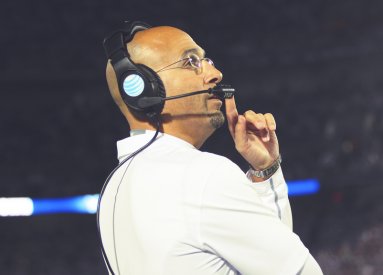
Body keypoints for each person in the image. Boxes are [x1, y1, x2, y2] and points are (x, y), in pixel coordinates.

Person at [98, 22, 323, 275]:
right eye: (191, 62)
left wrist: (265, 171)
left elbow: (269, 258)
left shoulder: (112, 192)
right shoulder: (203, 175)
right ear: (142, 88)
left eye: (207, 61)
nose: (215, 74)